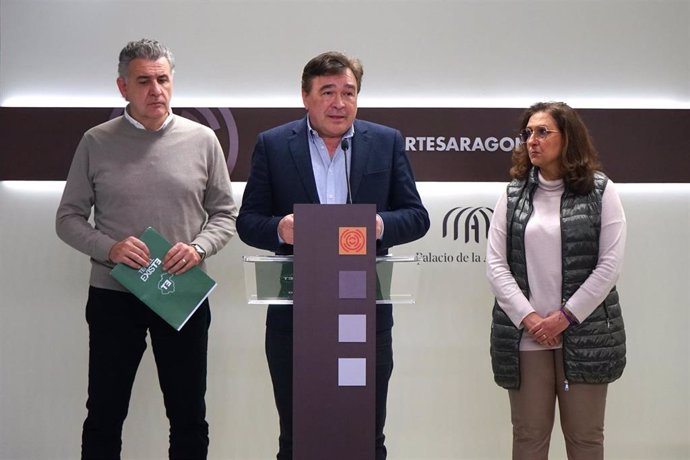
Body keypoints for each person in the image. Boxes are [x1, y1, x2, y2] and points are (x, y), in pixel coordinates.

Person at [236, 51, 429, 460]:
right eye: (328, 92)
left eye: (349, 92)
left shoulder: (385, 141)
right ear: (305, 97)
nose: (339, 103)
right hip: (295, 314)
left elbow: (416, 217)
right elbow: (248, 221)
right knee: (296, 438)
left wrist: (378, 226)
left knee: (364, 437)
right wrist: (280, 229)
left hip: (365, 315)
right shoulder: (272, 145)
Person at [55, 38, 237, 460]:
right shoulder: (96, 142)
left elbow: (225, 215)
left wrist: (198, 248)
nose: (156, 90)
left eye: (163, 79)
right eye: (144, 81)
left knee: (189, 415)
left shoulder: (204, 139)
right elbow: (68, 218)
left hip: (182, 294)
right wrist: (110, 248)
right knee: (104, 413)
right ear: (123, 87)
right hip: (115, 296)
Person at [486, 101, 627, 460]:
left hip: (584, 335)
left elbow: (609, 266)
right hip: (526, 336)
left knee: (585, 439)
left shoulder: (600, 191)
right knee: (528, 438)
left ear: (568, 139)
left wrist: (564, 318)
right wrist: (531, 319)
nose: (532, 140)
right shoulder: (512, 194)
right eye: (528, 133)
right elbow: (496, 265)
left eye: (542, 132)